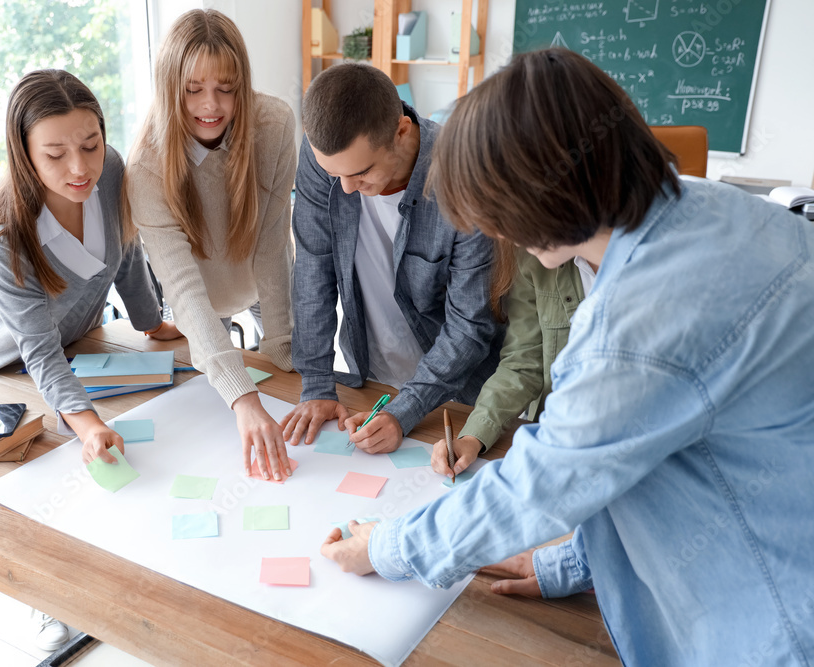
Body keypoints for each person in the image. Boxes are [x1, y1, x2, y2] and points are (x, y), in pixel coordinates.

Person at [321, 48, 814, 665]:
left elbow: (543, 483)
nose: (497, 234)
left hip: (772, 624)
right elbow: (647, 452)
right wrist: (574, 562)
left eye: (496, 210)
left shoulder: (640, 319)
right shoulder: (717, 209)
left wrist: (385, 547)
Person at [0, 69, 181, 650]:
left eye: (90, 145)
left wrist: (150, 322)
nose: (80, 168)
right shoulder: (3, 235)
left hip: (76, 338)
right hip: (1, 363)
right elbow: (37, 351)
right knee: (43, 470)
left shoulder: (110, 174)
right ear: (25, 156)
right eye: (55, 154)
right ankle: (49, 605)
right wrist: (87, 424)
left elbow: (126, 252)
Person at [283, 63, 502, 455]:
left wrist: (406, 410)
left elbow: (469, 326)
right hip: (372, 378)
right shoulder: (326, 157)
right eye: (335, 175)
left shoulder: (465, 176)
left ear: (401, 132)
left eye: (360, 173)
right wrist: (316, 381)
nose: (345, 189)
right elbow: (313, 268)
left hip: (458, 397)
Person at [125, 10, 297, 481]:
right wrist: (244, 398)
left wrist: (283, 351)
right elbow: (185, 291)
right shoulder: (145, 169)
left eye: (226, 88)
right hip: (201, 295)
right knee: (215, 400)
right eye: (193, 89)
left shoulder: (275, 124)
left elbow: (271, 245)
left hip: (262, 284)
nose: (211, 105)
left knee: (292, 374)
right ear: (168, 87)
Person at [431, 247, 591, 478]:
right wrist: (473, 437)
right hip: (549, 442)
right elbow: (523, 361)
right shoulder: (530, 255)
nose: (515, 240)